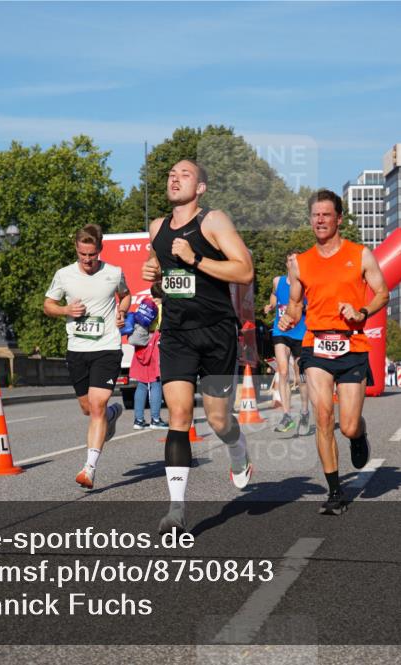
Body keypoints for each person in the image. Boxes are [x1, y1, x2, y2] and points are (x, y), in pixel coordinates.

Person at [141, 159, 255, 534]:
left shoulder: (213, 221)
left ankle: (237, 451)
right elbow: (164, 280)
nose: (174, 178)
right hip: (176, 333)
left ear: (201, 187)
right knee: (179, 416)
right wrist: (154, 277)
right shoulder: (157, 228)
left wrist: (197, 258)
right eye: (171, 174)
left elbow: (244, 271)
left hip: (217, 331)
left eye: (184, 174)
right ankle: (176, 509)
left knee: (220, 420)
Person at [279, 189, 389, 516]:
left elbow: (382, 292)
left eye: (327, 215)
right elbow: (296, 305)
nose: (320, 220)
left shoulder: (360, 255)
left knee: (349, 425)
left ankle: (358, 435)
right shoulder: (301, 262)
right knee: (324, 415)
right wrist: (289, 316)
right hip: (316, 346)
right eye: (315, 215)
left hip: (352, 345)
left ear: (339, 219)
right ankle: (335, 491)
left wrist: (362, 311)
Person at [44, 224, 131, 490]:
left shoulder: (113, 273)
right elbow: (48, 305)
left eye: (91, 255)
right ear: (77, 250)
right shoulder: (64, 275)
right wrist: (66, 310)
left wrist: (122, 312)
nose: (87, 260)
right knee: (88, 408)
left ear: (100, 250)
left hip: (107, 347)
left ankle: (89, 468)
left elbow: (125, 296)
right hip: (77, 349)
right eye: (82, 255)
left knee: (96, 406)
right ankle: (112, 415)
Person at [265, 251, 310, 436]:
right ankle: (286, 416)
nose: (293, 262)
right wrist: (272, 305)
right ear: (286, 263)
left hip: (300, 333)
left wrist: (301, 307)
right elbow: (274, 295)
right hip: (280, 330)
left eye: (296, 260)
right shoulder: (278, 281)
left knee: (300, 378)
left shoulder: (306, 284)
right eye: (290, 259)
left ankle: (305, 412)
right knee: (282, 372)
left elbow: (313, 304)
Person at [128, 295, 168, 430]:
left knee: (142, 384)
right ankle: (155, 419)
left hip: (140, 346)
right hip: (154, 345)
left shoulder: (145, 307)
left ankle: (138, 420)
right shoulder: (162, 308)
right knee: (156, 383)